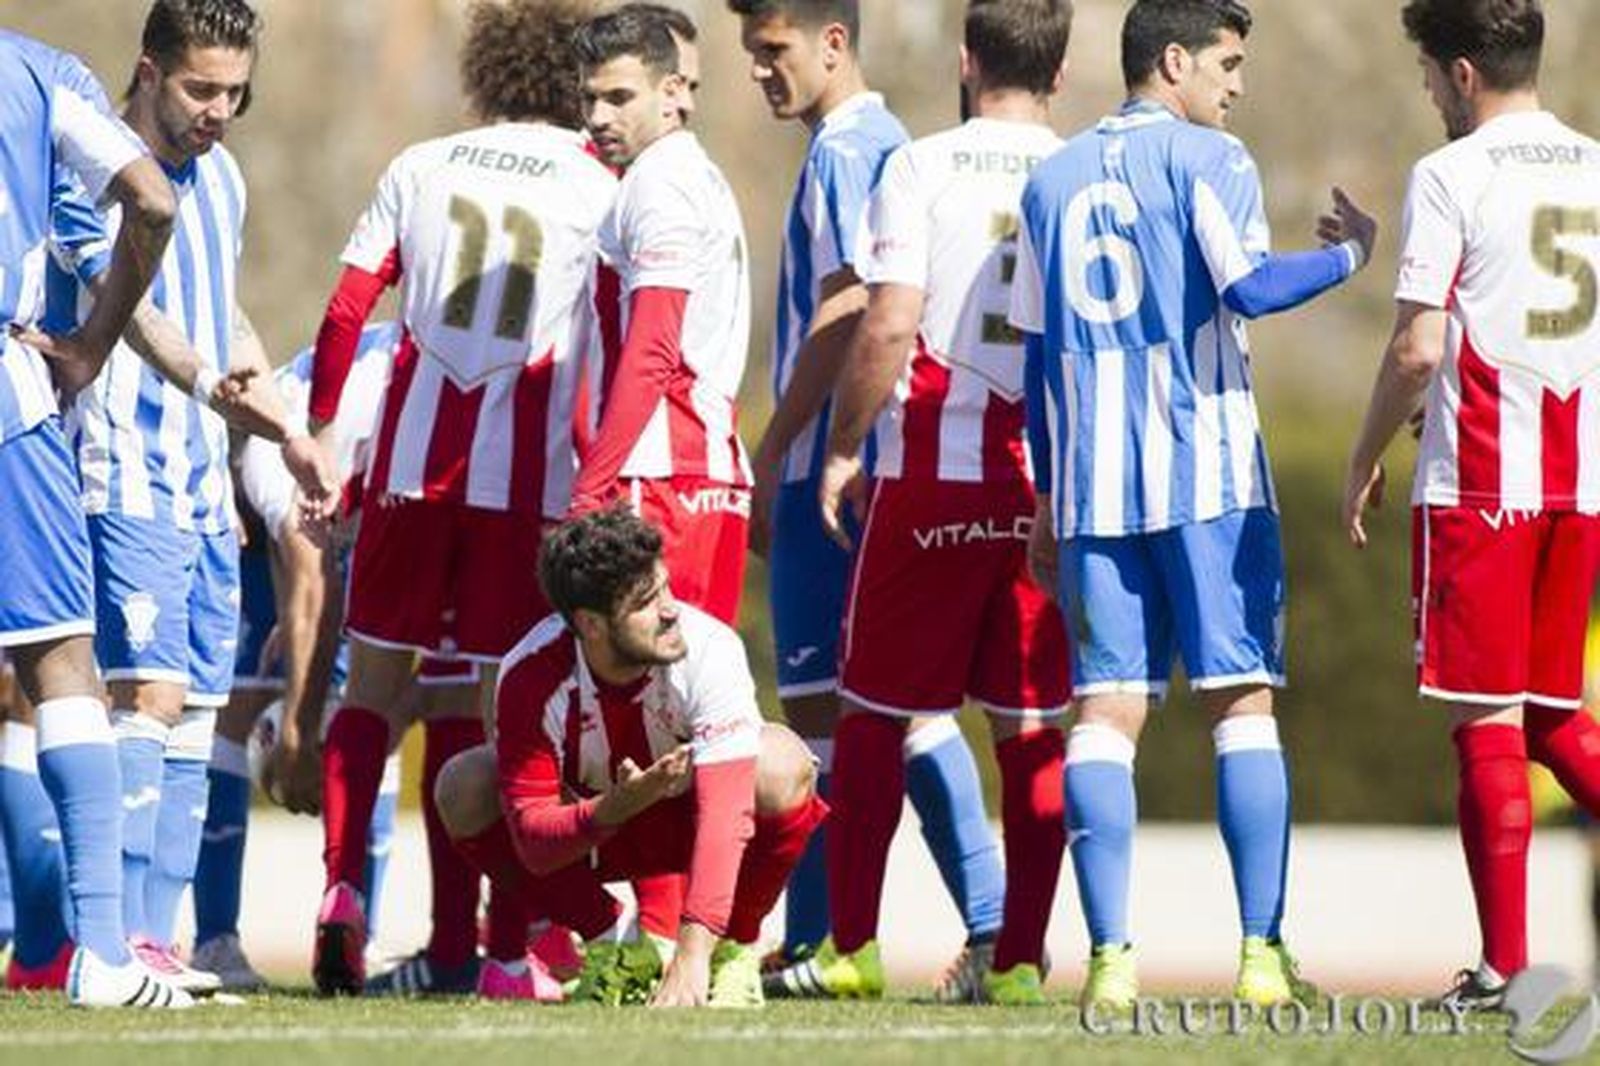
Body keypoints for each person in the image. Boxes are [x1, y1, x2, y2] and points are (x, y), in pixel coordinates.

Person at [1010, 0, 1376, 1011]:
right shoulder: (1211, 159)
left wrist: (1048, 487)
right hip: (1206, 476)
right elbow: (1250, 289)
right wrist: (1352, 256)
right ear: (1172, 60)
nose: (1237, 83)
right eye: (1226, 61)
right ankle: (1260, 957)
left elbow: (1035, 355)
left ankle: (1109, 962)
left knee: (1103, 714)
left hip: (1092, 486)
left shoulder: (1048, 177)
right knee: (1241, 704)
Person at [306, 0, 615, 995]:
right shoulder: (600, 182)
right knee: (501, 710)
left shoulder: (424, 162)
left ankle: (343, 892)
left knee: (376, 691)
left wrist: (321, 432)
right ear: (577, 79)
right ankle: (507, 935)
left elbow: (349, 305)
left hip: (407, 467)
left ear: (487, 72)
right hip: (523, 485)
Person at [48, 0, 332, 994]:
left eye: (235, 92)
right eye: (200, 88)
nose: (219, 110)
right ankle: (108, 944)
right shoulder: (96, 172)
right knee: (146, 695)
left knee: (197, 711)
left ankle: (158, 942)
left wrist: (288, 428)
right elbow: (145, 322)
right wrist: (214, 388)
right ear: (149, 69)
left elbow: (223, 311)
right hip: (122, 467)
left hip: (205, 479)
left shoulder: (226, 177)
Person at [727, 0, 1009, 996]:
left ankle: (966, 927)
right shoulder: (862, 144)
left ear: (832, 43)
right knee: (855, 710)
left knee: (866, 706)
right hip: (856, 466)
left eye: (774, 51)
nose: (760, 71)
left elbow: (854, 311)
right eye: (751, 53)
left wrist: (775, 444)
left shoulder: (856, 150)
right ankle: (838, 938)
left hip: (840, 471)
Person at [810, 0, 1074, 1006]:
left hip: (929, 479)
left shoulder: (920, 165)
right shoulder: (1082, 167)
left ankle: (852, 946)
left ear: (966, 60)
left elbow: (889, 324)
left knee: (874, 711)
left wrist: (842, 444)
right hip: (1042, 488)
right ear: (1058, 68)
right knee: (1029, 724)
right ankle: (1015, 962)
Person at [1343, 0, 1600, 1012]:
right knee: (1550, 718)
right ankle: (1502, 965)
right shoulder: (1593, 162)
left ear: (1457, 74)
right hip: (1576, 481)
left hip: (1485, 489)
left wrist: (1366, 451)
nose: (1424, 91)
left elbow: (1418, 345)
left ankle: (1502, 970)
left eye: (1422, 73)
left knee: (1487, 722)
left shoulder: (1450, 173)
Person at [436, 506, 827, 1009]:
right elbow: (533, 840)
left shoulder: (710, 648)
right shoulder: (530, 674)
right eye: (646, 601)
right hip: (600, 835)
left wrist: (693, 950)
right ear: (591, 624)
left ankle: (735, 950)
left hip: (699, 825)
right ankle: (616, 946)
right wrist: (615, 807)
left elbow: (728, 816)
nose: (669, 610)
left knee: (783, 763)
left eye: (664, 588)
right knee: (463, 784)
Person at [0, 25, 192, 1007]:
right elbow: (151, 199)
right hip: (9, 400)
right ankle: (104, 954)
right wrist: (87, 345)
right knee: (60, 665)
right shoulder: (36, 69)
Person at [566, 7, 753, 631]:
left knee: (658, 703)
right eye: (590, 98)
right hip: (704, 476)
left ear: (673, 92)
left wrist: (592, 490)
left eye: (620, 97)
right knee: (701, 703)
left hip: (658, 480)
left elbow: (653, 347)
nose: (598, 117)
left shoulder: (660, 183)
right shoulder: (696, 174)